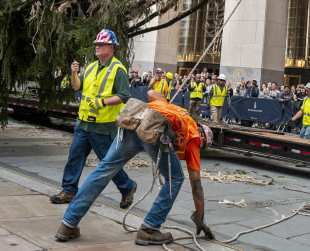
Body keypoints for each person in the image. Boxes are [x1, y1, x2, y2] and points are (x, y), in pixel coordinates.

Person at [55, 90, 215, 245]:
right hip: (154, 131)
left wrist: (165, 104)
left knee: (103, 170)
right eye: (202, 147)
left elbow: (151, 93)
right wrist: (199, 219)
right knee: (176, 178)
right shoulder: (194, 137)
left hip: (133, 122)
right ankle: (150, 229)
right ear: (202, 137)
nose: (198, 150)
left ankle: (68, 224)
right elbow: (197, 187)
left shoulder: (177, 111)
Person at [50, 29, 137, 209]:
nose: (97, 47)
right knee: (75, 157)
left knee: (107, 164)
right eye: (96, 44)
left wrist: (102, 103)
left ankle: (127, 187)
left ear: (111, 47)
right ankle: (69, 190)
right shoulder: (90, 67)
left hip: (103, 127)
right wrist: (74, 73)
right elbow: (77, 87)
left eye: (101, 44)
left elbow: (124, 95)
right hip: (83, 123)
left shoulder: (118, 69)